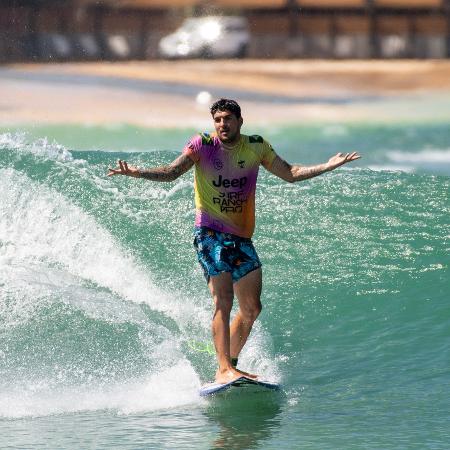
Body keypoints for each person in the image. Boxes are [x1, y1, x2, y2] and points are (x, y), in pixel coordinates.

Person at [108, 98, 360, 384]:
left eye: (227, 119)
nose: (222, 124)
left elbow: (289, 173)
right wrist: (136, 172)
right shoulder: (202, 145)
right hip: (209, 234)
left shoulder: (256, 147)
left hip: (241, 238)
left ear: (240, 121)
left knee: (252, 308)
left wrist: (327, 166)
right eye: (217, 120)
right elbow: (170, 173)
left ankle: (232, 364)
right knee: (223, 300)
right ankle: (223, 368)